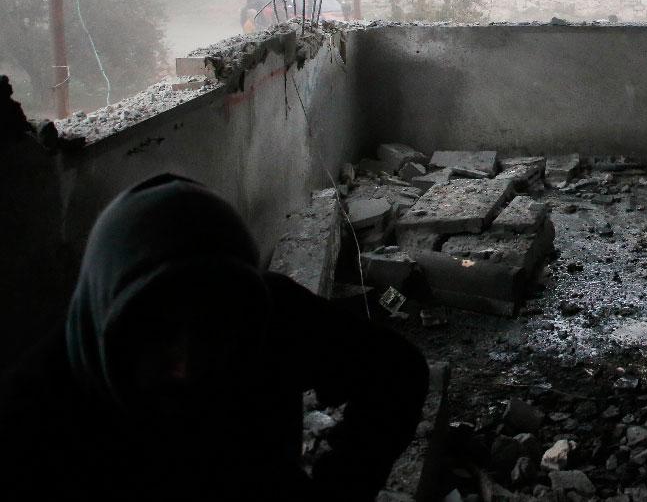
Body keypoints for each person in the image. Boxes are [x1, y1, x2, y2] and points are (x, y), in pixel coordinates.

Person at [0, 173, 428, 501]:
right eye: (157, 332)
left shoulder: (267, 316)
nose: (188, 366)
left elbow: (397, 371)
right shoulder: (34, 415)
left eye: (212, 328)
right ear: (109, 315)